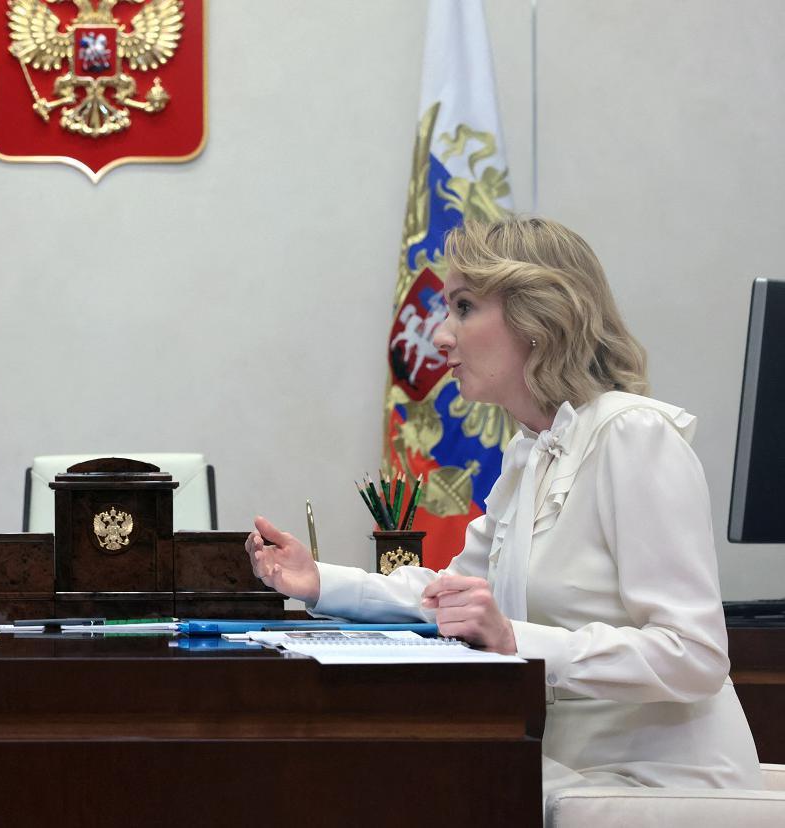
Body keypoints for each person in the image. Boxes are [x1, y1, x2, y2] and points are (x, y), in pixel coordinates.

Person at [246, 216, 761, 798]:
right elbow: (450, 597)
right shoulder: (530, 451)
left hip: (658, 788)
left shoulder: (633, 436)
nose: (441, 336)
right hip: (561, 770)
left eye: (464, 307)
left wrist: (517, 641)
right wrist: (319, 581)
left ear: (538, 320)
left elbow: (694, 655)